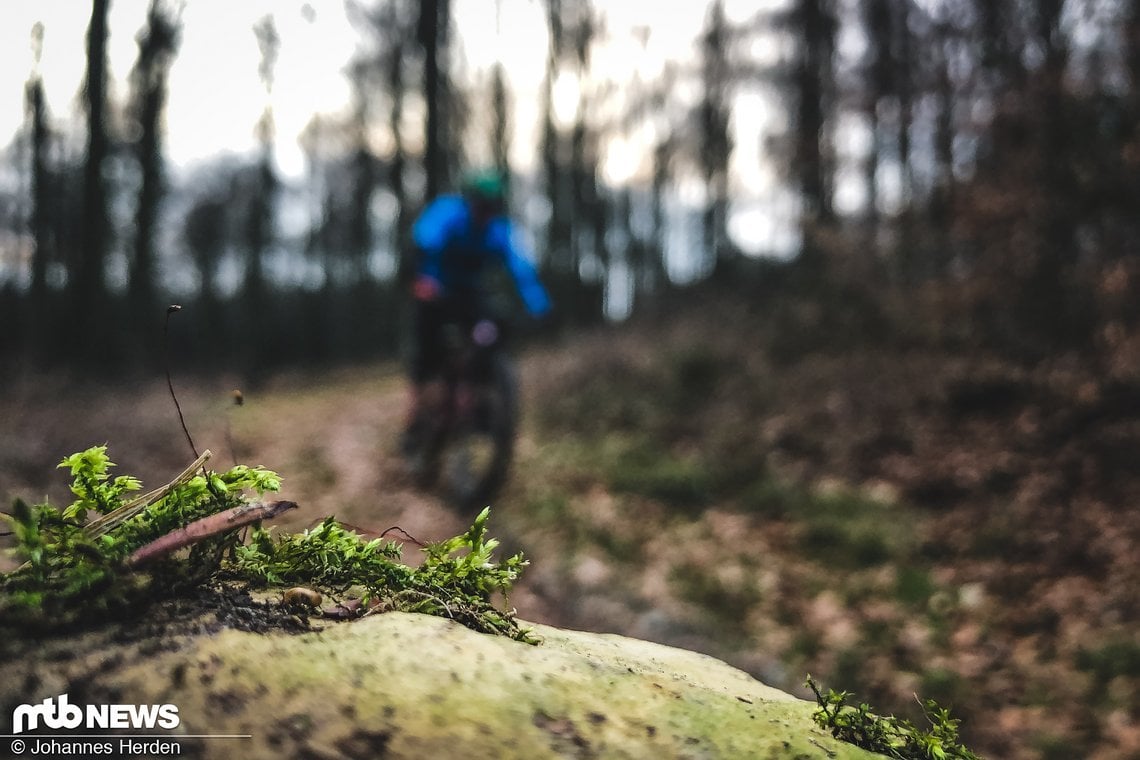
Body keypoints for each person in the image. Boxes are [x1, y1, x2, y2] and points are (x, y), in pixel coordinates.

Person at [403, 169, 552, 443]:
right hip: (435, 287)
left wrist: (539, 306)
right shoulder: (447, 214)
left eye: (492, 208)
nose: (486, 214)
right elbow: (423, 243)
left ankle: (476, 398)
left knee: (490, 332)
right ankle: (415, 413)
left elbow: (522, 269)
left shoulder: (499, 230)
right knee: (426, 350)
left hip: (470, 292)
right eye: (481, 206)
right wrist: (422, 280)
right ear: (469, 200)